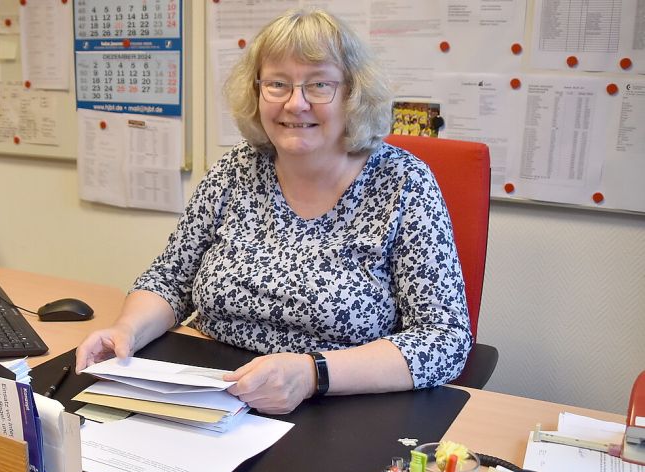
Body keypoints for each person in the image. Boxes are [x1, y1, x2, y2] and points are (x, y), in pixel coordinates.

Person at [75, 9, 471, 414]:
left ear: (353, 93)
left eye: (319, 85)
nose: (295, 103)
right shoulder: (236, 169)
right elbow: (170, 279)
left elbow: (445, 339)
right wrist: (125, 331)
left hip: (339, 403)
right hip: (213, 394)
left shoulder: (404, 183)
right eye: (277, 84)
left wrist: (312, 373)